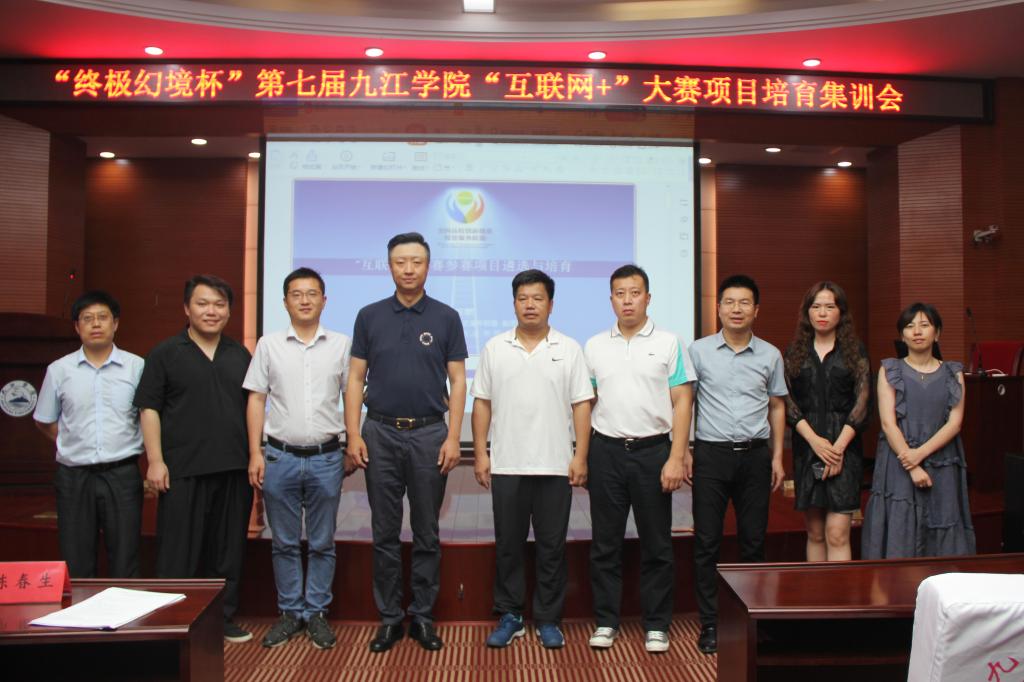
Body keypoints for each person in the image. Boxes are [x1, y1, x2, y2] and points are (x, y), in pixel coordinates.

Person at [344, 232, 467, 653]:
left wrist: (454, 436)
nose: (409, 269)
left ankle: (423, 618)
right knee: (384, 531)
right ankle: (390, 619)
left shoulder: (447, 316)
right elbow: (355, 378)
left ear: (428, 266)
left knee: (427, 531)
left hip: (430, 433)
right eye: (401, 262)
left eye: (416, 261)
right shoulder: (369, 316)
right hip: (379, 432)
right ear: (389, 266)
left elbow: (458, 380)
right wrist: (353, 433)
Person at [472, 269, 593, 650]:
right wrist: (480, 453)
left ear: (550, 304)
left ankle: (548, 619)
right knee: (508, 545)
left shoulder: (569, 348)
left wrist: (581, 456)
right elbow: (482, 403)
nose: (530, 305)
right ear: (513, 304)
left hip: (555, 465)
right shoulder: (495, 348)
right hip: (507, 464)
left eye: (537, 298)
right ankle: (510, 615)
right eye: (523, 298)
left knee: (551, 546)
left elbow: (582, 405)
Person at [133, 274, 254, 643]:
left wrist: (254, 454)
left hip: (233, 468)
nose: (211, 311)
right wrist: (155, 460)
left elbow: (253, 408)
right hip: (183, 469)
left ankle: (222, 618)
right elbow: (149, 409)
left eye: (219, 304)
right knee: (178, 550)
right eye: (202, 304)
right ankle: (175, 619)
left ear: (229, 311)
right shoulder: (165, 353)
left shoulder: (240, 355)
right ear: (187, 308)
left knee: (228, 550)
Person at [583, 264, 694, 653]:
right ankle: (606, 621)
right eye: (620, 294)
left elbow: (683, 402)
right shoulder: (595, 345)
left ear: (648, 298)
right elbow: (587, 403)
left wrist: (677, 456)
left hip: (653, 452)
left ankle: (657, 624)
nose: (627, 301)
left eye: (634, 293)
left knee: (657, 543)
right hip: (606, 451)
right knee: (605, 543)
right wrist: (581, 454)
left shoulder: (669, 342)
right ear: (611, 299)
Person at [244, 267, 351, 650]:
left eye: (312, 293)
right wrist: (255, 452)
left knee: (322, 542)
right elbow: (256, 398)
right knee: (284, 542)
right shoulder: (268, 344)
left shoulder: (341, 345)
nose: (305, 300)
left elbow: (352, 397)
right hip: (280, 457)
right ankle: (291, 612)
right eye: (296, 294)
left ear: (324, 300)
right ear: (285, 302)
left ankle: (316, 613)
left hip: (326, 457)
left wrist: (352, 442)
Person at [683, 274, 787, 655]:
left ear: (756, 310)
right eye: (729, 302)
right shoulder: (698, 351)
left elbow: (777, 406)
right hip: (711, 455)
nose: (736, 309)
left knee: (753, 542)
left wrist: (777, 456)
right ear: (718, 308)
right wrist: (685, 450)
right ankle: (711, 624)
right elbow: (686, 403)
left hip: (755, 456)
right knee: (706, 543)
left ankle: (753, 620)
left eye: (744, 303)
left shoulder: (770, 355)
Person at [34, 290, 145, 579]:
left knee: (126, 558)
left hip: (122, 474)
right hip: (74, 477)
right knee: (76, 559)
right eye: (87, 318)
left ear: (115, 323)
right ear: (77, 326)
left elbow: (148, 417)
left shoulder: (137, 367)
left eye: (102, 317)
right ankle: (81, 610)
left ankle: (124, 608)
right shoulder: (59, 370)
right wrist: (71, 442)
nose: (96, 324)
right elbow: (44, 420)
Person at [861, 303, 975, 558]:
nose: (917, 331)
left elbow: (955, 423)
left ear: (937, 333)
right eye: (910, 326)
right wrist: (912, 465)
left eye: (924, 325)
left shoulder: (953, 373)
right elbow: (888, 423)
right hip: (898, 461)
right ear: (902, 335)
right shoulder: (890, 369)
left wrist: (919, 454)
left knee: (942, 521)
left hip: (942, 460)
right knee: (900, 526)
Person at [783, 282, 870, 562]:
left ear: (840, 312)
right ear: (807, 312)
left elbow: (862, 403)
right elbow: (788, 402)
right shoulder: (795, 352)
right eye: (816, 306)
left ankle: (839, 592)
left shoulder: (855, 351)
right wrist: (815, 443)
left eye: (830, 307)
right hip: (808, 448)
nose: (822, 313)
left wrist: (837, 449)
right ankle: (817, 590)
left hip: (845, 448)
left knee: (837, 534)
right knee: (815, 533)